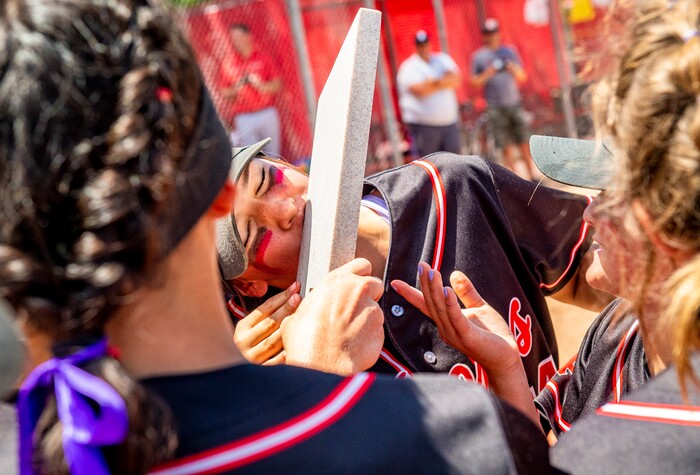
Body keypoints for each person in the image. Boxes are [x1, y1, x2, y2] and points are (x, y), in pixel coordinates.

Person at [0, 1, 553, 473]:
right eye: (253, 225)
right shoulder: (454, 438)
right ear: (219, 188)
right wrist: (316, 388)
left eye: (270, 175)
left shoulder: (32, 446)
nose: (290, 209)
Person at [397, 2, 700, 472]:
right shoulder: (619, 332)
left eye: (608, 192)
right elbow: (546, 460)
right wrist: (506, 369)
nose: (591, 211)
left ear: (666, 218)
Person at [217, 137, 611, 395]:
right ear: (249, 286)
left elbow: (592, 271)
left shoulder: (453, 187)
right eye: (256, 234)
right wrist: (251, 392)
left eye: (268, 180)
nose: (285, 210)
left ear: (287, 162)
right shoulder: (277, 361)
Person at [470, 18, 537, 180]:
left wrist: (512, 67)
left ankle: (532, 176)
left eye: (494, 32)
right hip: (495, 107)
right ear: (484, 35)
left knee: (523, 141)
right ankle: (517, 180)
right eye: (488, 33)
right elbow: (474, 83)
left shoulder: (509, 52)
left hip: (513, 103)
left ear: (498, 33)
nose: (492, 36)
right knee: (505, 145)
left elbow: (522, 77)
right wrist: (489, 72)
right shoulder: (478, 57)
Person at [396, 30, 463, 157]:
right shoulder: (409, 66)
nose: (424, 48)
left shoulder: (442, 59)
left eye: (425, 44)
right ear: (416, 46)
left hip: (449, 123)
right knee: (430, 165)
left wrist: (433, 82)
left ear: (430, 44)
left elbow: (456, 80)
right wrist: (444, 80)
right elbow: (420, 91)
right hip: (424, 126)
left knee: (455, 164)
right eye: (420, 45)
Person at [222, 23, 281, 155]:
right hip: (244, 117)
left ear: (248, 36)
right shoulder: (229, 63)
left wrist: (260, 85)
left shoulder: (263, 58)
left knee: (274, 156)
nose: (236, 42)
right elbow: (224, 93)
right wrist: (237, 87)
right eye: (234, 38)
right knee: (253, 159)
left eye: (239, 37)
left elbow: (277, 85)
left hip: (266, 112)